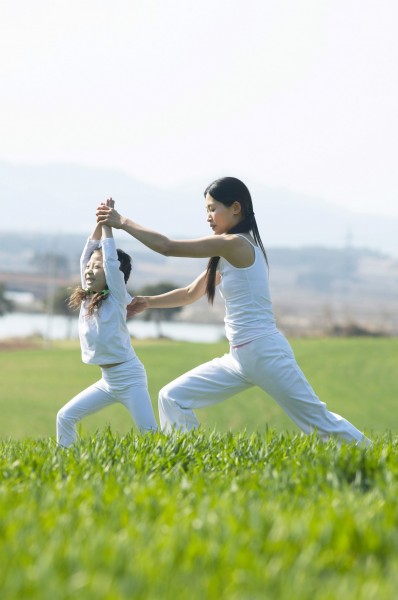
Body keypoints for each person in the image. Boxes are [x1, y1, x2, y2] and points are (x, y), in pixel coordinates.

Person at [96, 178, 371, 446]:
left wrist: (122, 222)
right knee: (172, 397)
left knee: (318, 422)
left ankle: (374, 454)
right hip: (239, 358)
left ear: (236, 208)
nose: (208, 216)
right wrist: (148, 301)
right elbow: (192, 292)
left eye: (213, 208)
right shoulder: (226, 250)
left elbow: (168, 247)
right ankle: (187, 460)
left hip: (265, 353)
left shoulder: (236, 245)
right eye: (206, 210)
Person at [56, 199, 158, 447]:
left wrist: (109, 227)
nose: (89, 271)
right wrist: (99, 222)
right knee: (65, 417)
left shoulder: (117, 297)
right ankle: (63, 466)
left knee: (151, 437)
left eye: (97, 267)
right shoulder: (88, 296)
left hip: (129, 378)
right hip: (108, 380)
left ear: (115, 276)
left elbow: (111, 262)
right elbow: (85, 257)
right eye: (90, 267)